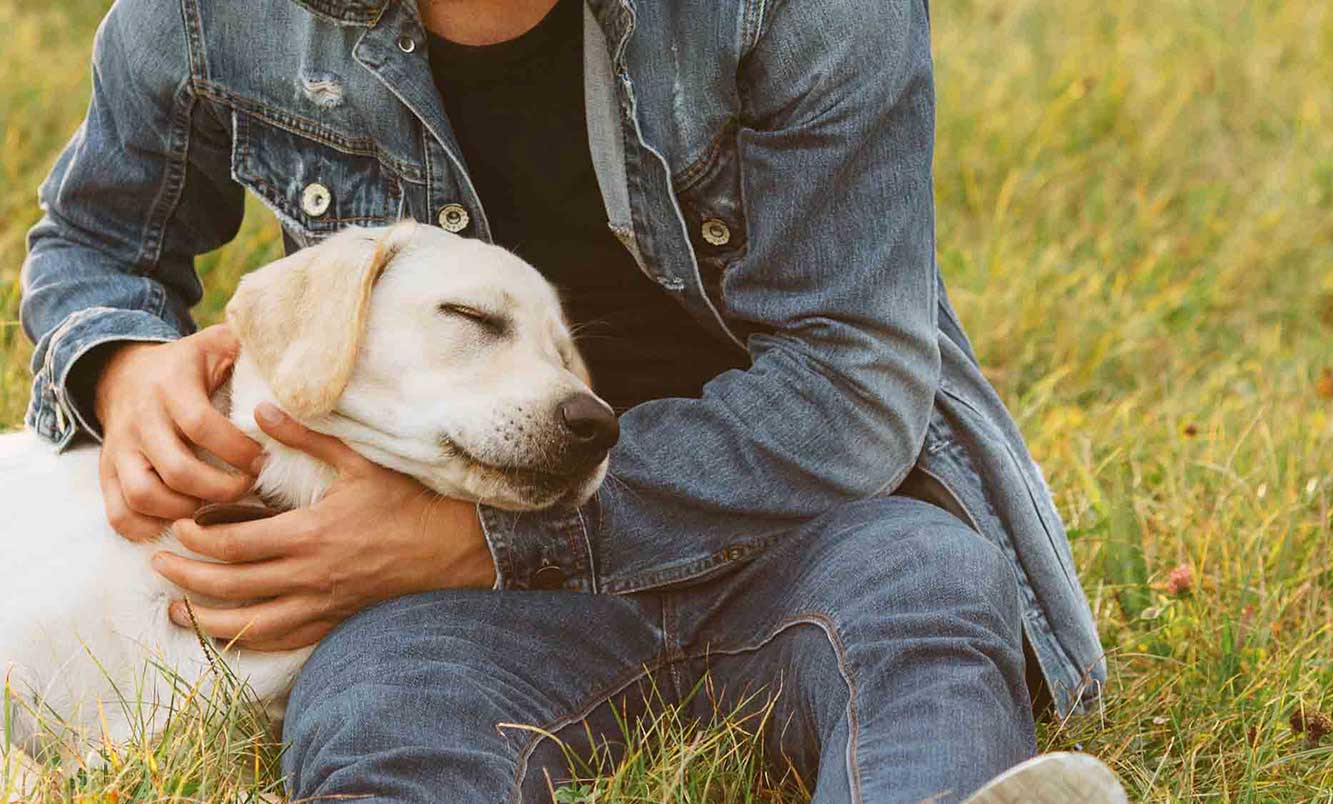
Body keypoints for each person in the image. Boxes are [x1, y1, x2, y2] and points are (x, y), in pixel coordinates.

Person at [17, 0, 1115, 800]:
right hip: (415, 592)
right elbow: (100, 244)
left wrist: (477, 538)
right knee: (384, 717)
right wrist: (121, 361)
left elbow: (851, 383)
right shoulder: (214, 14)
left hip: (794, 527)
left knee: (926, 596)